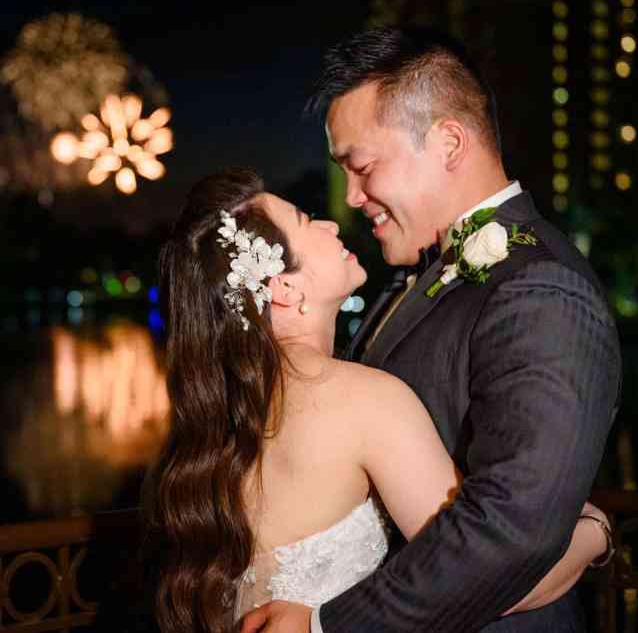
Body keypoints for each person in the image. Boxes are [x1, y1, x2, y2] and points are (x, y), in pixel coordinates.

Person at [239, 27, 622, 633]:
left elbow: (510, 534)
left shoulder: (541, 289)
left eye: (361, 167)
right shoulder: (413, 274)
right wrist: (594, 531)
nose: (353, 196)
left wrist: (324, 628)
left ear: (448, 142)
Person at [146, 168, 614, 633]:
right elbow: (491, 578)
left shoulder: (231, 411)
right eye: (309, 222)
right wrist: (595, 531)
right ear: (286, 288)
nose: (331, 224)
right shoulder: (363, 400)